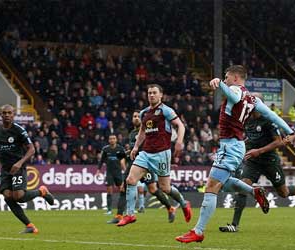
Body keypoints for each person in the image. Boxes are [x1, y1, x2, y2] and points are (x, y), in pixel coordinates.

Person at [176, 65, 295, 243]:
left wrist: (220, 85)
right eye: (223, 78)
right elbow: (273, 115)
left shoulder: (235, 89)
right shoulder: (253, 99)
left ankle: (198, 231)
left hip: (231, 145)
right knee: (221, 184)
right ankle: (254, 191)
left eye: (226, 77)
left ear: (236, 78)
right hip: (236, 145)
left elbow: (234, 95)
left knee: (211, 187)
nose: (224, 79)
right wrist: (290, 131)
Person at [117, 84, 192, 227]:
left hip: (161, 153)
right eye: (149, 93)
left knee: (165, 188)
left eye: (154, 93)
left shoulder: (166, 110)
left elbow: (180, 126)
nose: (151, 95)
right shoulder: (144, 113)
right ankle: (130, 215)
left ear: (160, 95)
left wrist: (179, 142)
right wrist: (136, 147)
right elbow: (142, 132)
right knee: (131, 180)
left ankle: (183, 203)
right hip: (145, 153)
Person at [219, 94, 295, 233]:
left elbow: (278, 141)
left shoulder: (268, 120)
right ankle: (234, 225)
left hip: (269, 160)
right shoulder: (246, 119)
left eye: (249, 102)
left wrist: (259, 151)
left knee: (284, 193)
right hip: (253, 161)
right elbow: (249, 137)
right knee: (243, 186)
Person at [0, 104, 55, 234]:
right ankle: (30, 226)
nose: (7, 115)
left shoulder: (19, 130)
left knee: (18, 196)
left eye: (9, 113)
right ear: (1, 115)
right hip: (5, 168)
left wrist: (19, 163)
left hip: (18, 167)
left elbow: (32, 149)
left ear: (13, 115)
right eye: (5, 113)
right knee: (8, 196)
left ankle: (41, 192)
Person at [107, 110, 182, 224]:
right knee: (124, 187)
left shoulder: (147, 131)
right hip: (134, 163)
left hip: (146, 163)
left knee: (153, 189)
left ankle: (170, 207)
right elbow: (134, 148)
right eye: (134, 116)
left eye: (138, 116)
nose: (136, 118)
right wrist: (126, 153)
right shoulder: (132, 133)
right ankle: (119, 215)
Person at [96, 134, 126, 215]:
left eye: (113, 138)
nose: (112, 140)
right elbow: (101, 160)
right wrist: (98, 170)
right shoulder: (106, 149)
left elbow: (123, 161)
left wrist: (125, 171)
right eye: (110, 139)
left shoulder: (120, 149)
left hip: (118, 172)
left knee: (122, 190)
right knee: (109, 190)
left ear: (116, 140)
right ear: (109, 140)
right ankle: (109, 210)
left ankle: (123, 209)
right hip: (109, 172)